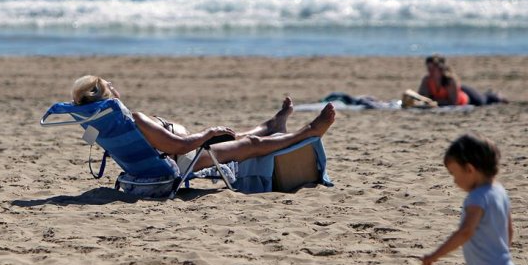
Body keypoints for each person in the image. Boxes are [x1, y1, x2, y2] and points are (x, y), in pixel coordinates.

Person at [71, 75, 335, 172]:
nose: (114, 86)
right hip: (185, 158)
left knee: (237, 135)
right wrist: (209, 133)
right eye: (109, 85)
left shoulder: (106, 123)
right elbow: (178, 144)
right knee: (251, 144)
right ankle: (307, 132)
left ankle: (273, 125)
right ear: (105, 95)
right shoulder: (134, 118)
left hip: (180, 152)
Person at [422, 134, 521, 265]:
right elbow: (509, 230)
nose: (454, 181)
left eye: (454, 174)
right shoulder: (499, 191)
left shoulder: (477, 198)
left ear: (469, 169)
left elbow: (466, 231)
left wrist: (435, 255)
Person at [417, 55, 508, 107]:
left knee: (483, 100)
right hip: (458, 91)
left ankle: (496, 95)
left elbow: (453, 102)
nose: (430, 71)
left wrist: (434, 102)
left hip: (465, 99)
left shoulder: (449, 80)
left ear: (440, 69)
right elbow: (420, 97)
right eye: (428, 68)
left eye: (433, 68)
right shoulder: (427, 80)